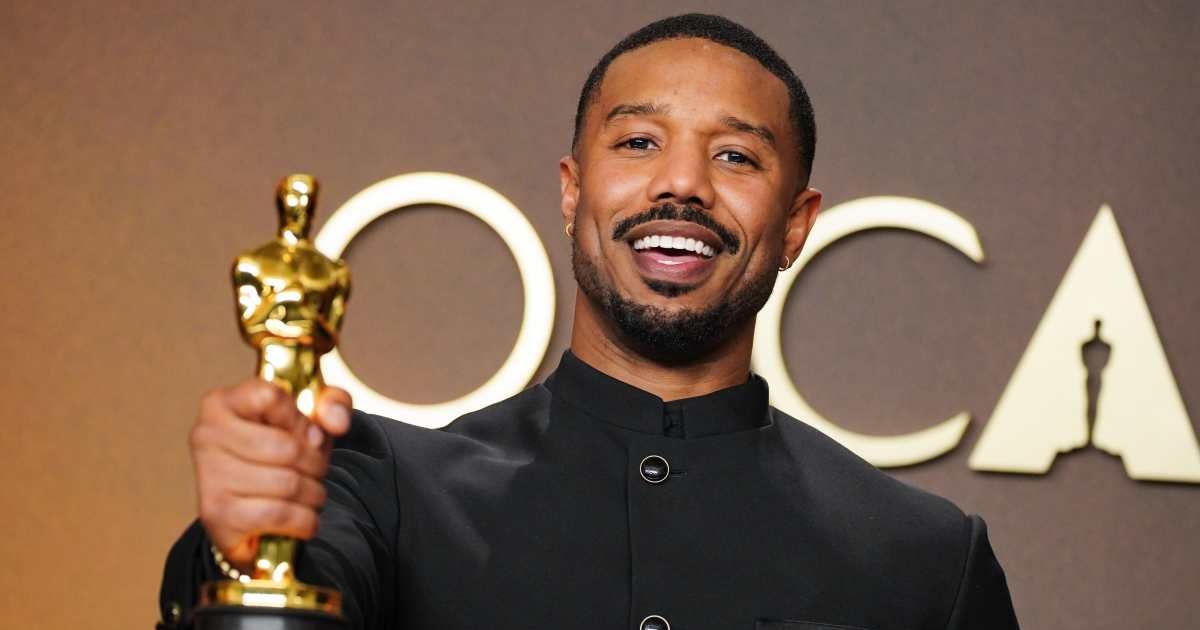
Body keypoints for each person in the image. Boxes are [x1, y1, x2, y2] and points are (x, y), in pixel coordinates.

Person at [160, 13, 1019, 630]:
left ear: (796, 225)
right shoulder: (380, 489)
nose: (682, 184)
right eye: (639, 142)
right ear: (573, 193)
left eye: (735, 155)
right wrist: (242, 549)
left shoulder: (928, 561)